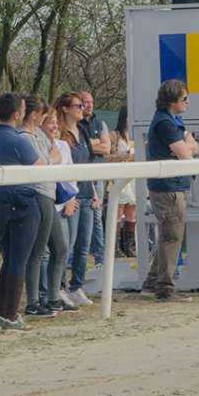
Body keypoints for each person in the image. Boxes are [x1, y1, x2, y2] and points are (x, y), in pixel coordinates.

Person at [0, 93, 44, 331]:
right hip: (22, 203)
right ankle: (10, 314)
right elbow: (41, 168)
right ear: (17, 114)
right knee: (19, 260)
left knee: (8, 260)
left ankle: (3, 312)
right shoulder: (18, 140)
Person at [142, 79, 199, 301]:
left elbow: (191, 147)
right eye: (184, 99)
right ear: (172, 100)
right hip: (167, 187)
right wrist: (187, 145)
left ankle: (152, 282)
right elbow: (186, 152)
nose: (188, 102)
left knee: (169, 236)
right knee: (172, 237)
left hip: (172, 185)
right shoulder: (165, 123)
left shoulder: (173, 120)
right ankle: (164, 287)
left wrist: (188, 145)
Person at [22, 96, 61, 318]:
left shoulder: (38, 135)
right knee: (37, 251)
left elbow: (53, 157)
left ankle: (53, 297)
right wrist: (52, 158)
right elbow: (46, 161)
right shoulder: (25, 136)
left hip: (50, 194)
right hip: (39, 194)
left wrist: (52, 158)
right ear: (36, 114)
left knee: (60, 247)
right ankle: (33, 301)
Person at [56, 92, 97, 307]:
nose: (82, 108)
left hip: (86, 192)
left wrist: (94, 191)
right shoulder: (61, 136)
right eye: (77, 105)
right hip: (70, 195)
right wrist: (69, 197)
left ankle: (76, 286)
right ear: (65, 109)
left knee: (84, 245)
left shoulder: (82, 131)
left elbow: (87, 162)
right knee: (67, 245)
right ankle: (60, 286)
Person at [39, 107, 77, 313]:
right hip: (45, 201)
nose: (53, 126)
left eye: (55, 122)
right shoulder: (36, 144)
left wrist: (71, 198)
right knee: (44, 252)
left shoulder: (63, 145)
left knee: (63, 249)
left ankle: (56, 292)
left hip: (63, 202)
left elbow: (70, 172)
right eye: (48, 122)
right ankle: (43, 294)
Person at [80, 91, 109, 267]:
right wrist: (95, 143)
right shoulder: (76, 124)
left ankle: (99, 257)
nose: (89, 105)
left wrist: (90, 144)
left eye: (91, 101)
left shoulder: (100, 123)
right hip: (82, 175)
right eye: (85, 102)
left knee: (97, 216)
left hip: (98, 174)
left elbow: (107, 148)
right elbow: (78, 145)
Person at [107, 106, 137, 257]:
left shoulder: (134, 135)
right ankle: (115, 248)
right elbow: (108, 156)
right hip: (119, 176)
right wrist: (124, 155)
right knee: (118, 212)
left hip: (133, 178)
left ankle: (130, 247)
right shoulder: (114, 135)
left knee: (131, 212)